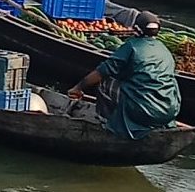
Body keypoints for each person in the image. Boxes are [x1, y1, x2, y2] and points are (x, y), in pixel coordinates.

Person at [68, 10, 182, 138]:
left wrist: (78, 88)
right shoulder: (164, 50)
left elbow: (102, 71)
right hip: (169, 111)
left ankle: (109, 124)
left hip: (141, 110)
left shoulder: (131, 46)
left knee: (105, 81)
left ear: (136, 29)